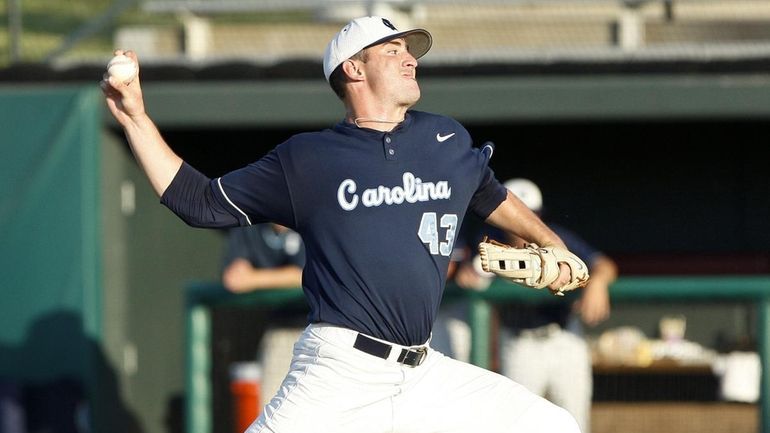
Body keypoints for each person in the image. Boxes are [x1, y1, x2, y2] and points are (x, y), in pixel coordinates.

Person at [101, 15, 584, 433]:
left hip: (424, 372)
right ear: (353, 68)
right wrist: (136, 119)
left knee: (554, 425)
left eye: (410, 50)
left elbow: (490, 193)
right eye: (392, 50)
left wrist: (550, 243)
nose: (409, 58)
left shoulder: (446, 137)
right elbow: (198, 202)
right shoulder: (307, 160)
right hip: (339, 372)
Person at [459, 178, 618, 433]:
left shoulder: (555, 237)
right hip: (519, 341)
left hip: (563, 336)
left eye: (533, 213)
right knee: (518, 424)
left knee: (575, 422)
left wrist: (597, 283)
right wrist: (469, 272)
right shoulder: (487, 240)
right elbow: (465, 270)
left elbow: (604, 264)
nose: (526, 219)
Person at [221, 223, 307, 402]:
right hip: (282, 330)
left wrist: (254, 278)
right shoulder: (251, 222)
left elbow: (306, 273)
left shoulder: (310, 212)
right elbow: (234, 278)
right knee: (273, 409)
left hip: (328, 327)